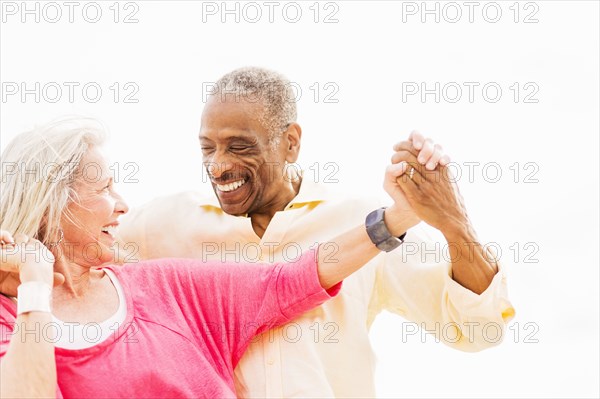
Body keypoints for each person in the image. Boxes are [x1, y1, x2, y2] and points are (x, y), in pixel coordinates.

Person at [119, 67, 515, 398]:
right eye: (208, 148)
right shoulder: (163, 224)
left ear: (290, 143)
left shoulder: (367, 224)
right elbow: (78, 262)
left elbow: (479, 328)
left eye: (239, 147)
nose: (218, 166)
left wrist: (454, 223)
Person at [0, 117, 418, 398]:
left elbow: (288, 280)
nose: (122, 205)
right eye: (105, 189)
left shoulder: (165, 288)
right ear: (53, 202)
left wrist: (397, 218)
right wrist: (36, 286)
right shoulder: (8, 317)